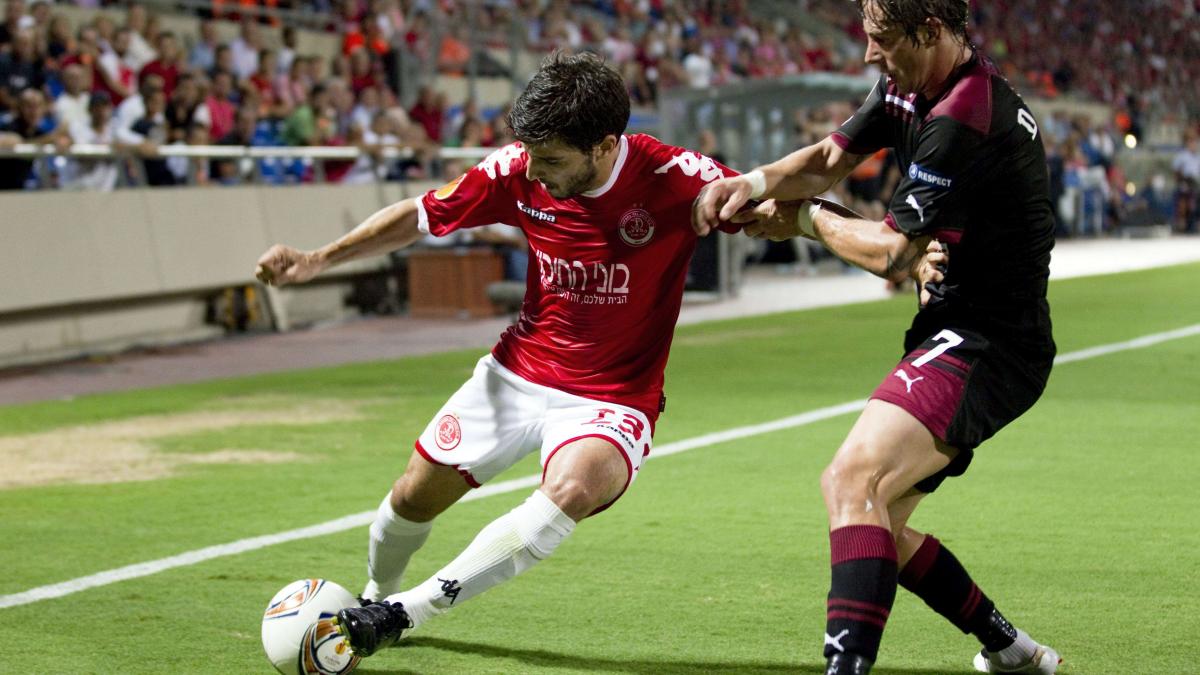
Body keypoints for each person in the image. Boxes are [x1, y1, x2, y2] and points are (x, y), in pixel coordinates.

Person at [255, 52, 946, 662]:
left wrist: (893, 251)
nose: (534, 171)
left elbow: (788, 210)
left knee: (571, 489)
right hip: (516, 372)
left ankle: (401, 614)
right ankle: (377, 590)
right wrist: (319, 259)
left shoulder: (676, 178)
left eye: (552, 159)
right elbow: (419, 214)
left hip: (615, 396)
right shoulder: (518, 170)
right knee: (410, 497)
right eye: (529, 155)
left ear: (604, 145)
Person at [693, 1, 1060, 674]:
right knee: (879, 526)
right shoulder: (909, 84)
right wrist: (753, 181)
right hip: (953, 327)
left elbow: (894, 253)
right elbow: (832, 155)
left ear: (931, 32)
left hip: (990, 342)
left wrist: (805, 219)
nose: (867, 54)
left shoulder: (964, 112)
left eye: (882, 40)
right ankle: (1015, 650)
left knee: (851, 478)